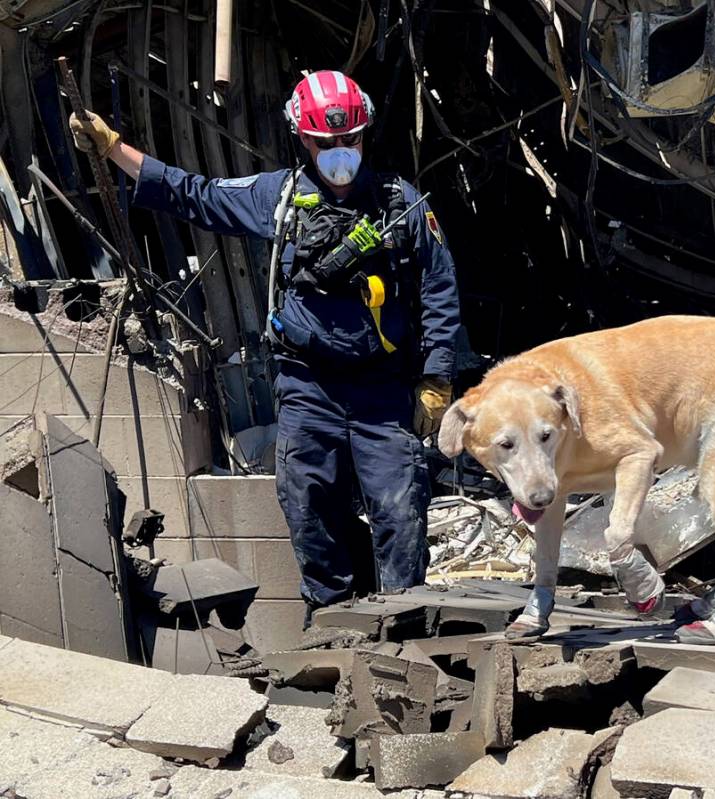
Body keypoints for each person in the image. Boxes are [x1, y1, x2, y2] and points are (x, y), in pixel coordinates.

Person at [70, 70, 461, 625]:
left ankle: (404, 629)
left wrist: (437, 379)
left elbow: (440, 290)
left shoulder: (403, 203)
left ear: (365, 135)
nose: (339, 154)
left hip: (384, 389)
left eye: (350, 140)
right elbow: (195, 194)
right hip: (307, 384)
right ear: (303, 139)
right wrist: (112, 149)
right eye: (326, 144)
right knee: (307, 502)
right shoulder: (278, 198)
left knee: (401, 509)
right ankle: (333, 622)